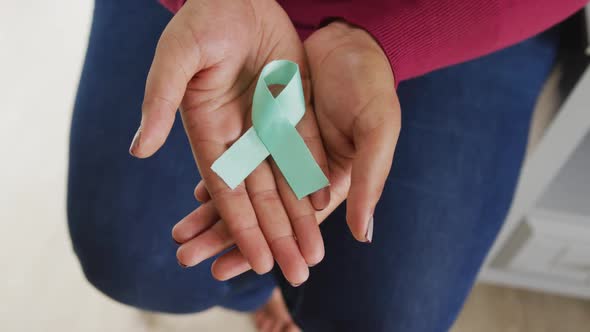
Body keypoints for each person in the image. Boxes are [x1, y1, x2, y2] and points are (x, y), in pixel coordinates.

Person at [67, 0, 587, 331]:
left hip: (460, 15)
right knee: (138, 263)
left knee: (386, 318)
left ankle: (272, 287)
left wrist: (396, 43)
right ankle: (258, 291)